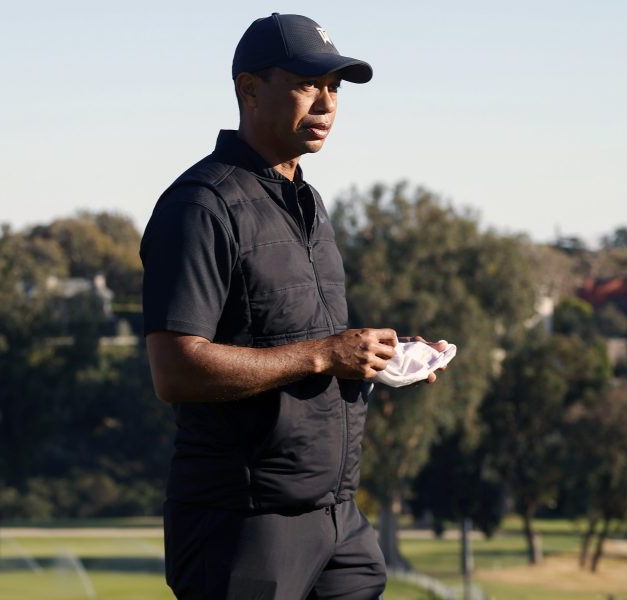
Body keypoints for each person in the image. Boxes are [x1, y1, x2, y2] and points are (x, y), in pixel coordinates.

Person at [140, 13, 447, 599]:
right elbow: (175, 370)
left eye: (335, 87)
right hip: (244, 525)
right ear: (249, 90)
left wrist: (383, 357)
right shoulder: (200, 207)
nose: (327, 102)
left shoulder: (309, 203)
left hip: (339, 523)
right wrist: (325, 354)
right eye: (308, 84)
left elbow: (310, 344)